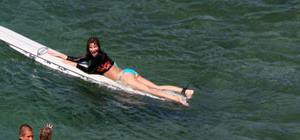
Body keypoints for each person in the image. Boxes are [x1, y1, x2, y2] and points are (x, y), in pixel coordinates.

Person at [46, 37, 194, 105]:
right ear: (89, 48)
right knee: (156, 86)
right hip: (129, 72)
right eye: (91, 48)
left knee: (152, 91)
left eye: (95, 47)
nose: (93, 50)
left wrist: (73, 65)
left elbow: (89, 71)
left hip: (125, 79)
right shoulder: (100, 55)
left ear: (99, 46)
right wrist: (58, 55)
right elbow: (76, 58)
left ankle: (178, 99)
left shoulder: (97, 58)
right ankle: (185, 91)